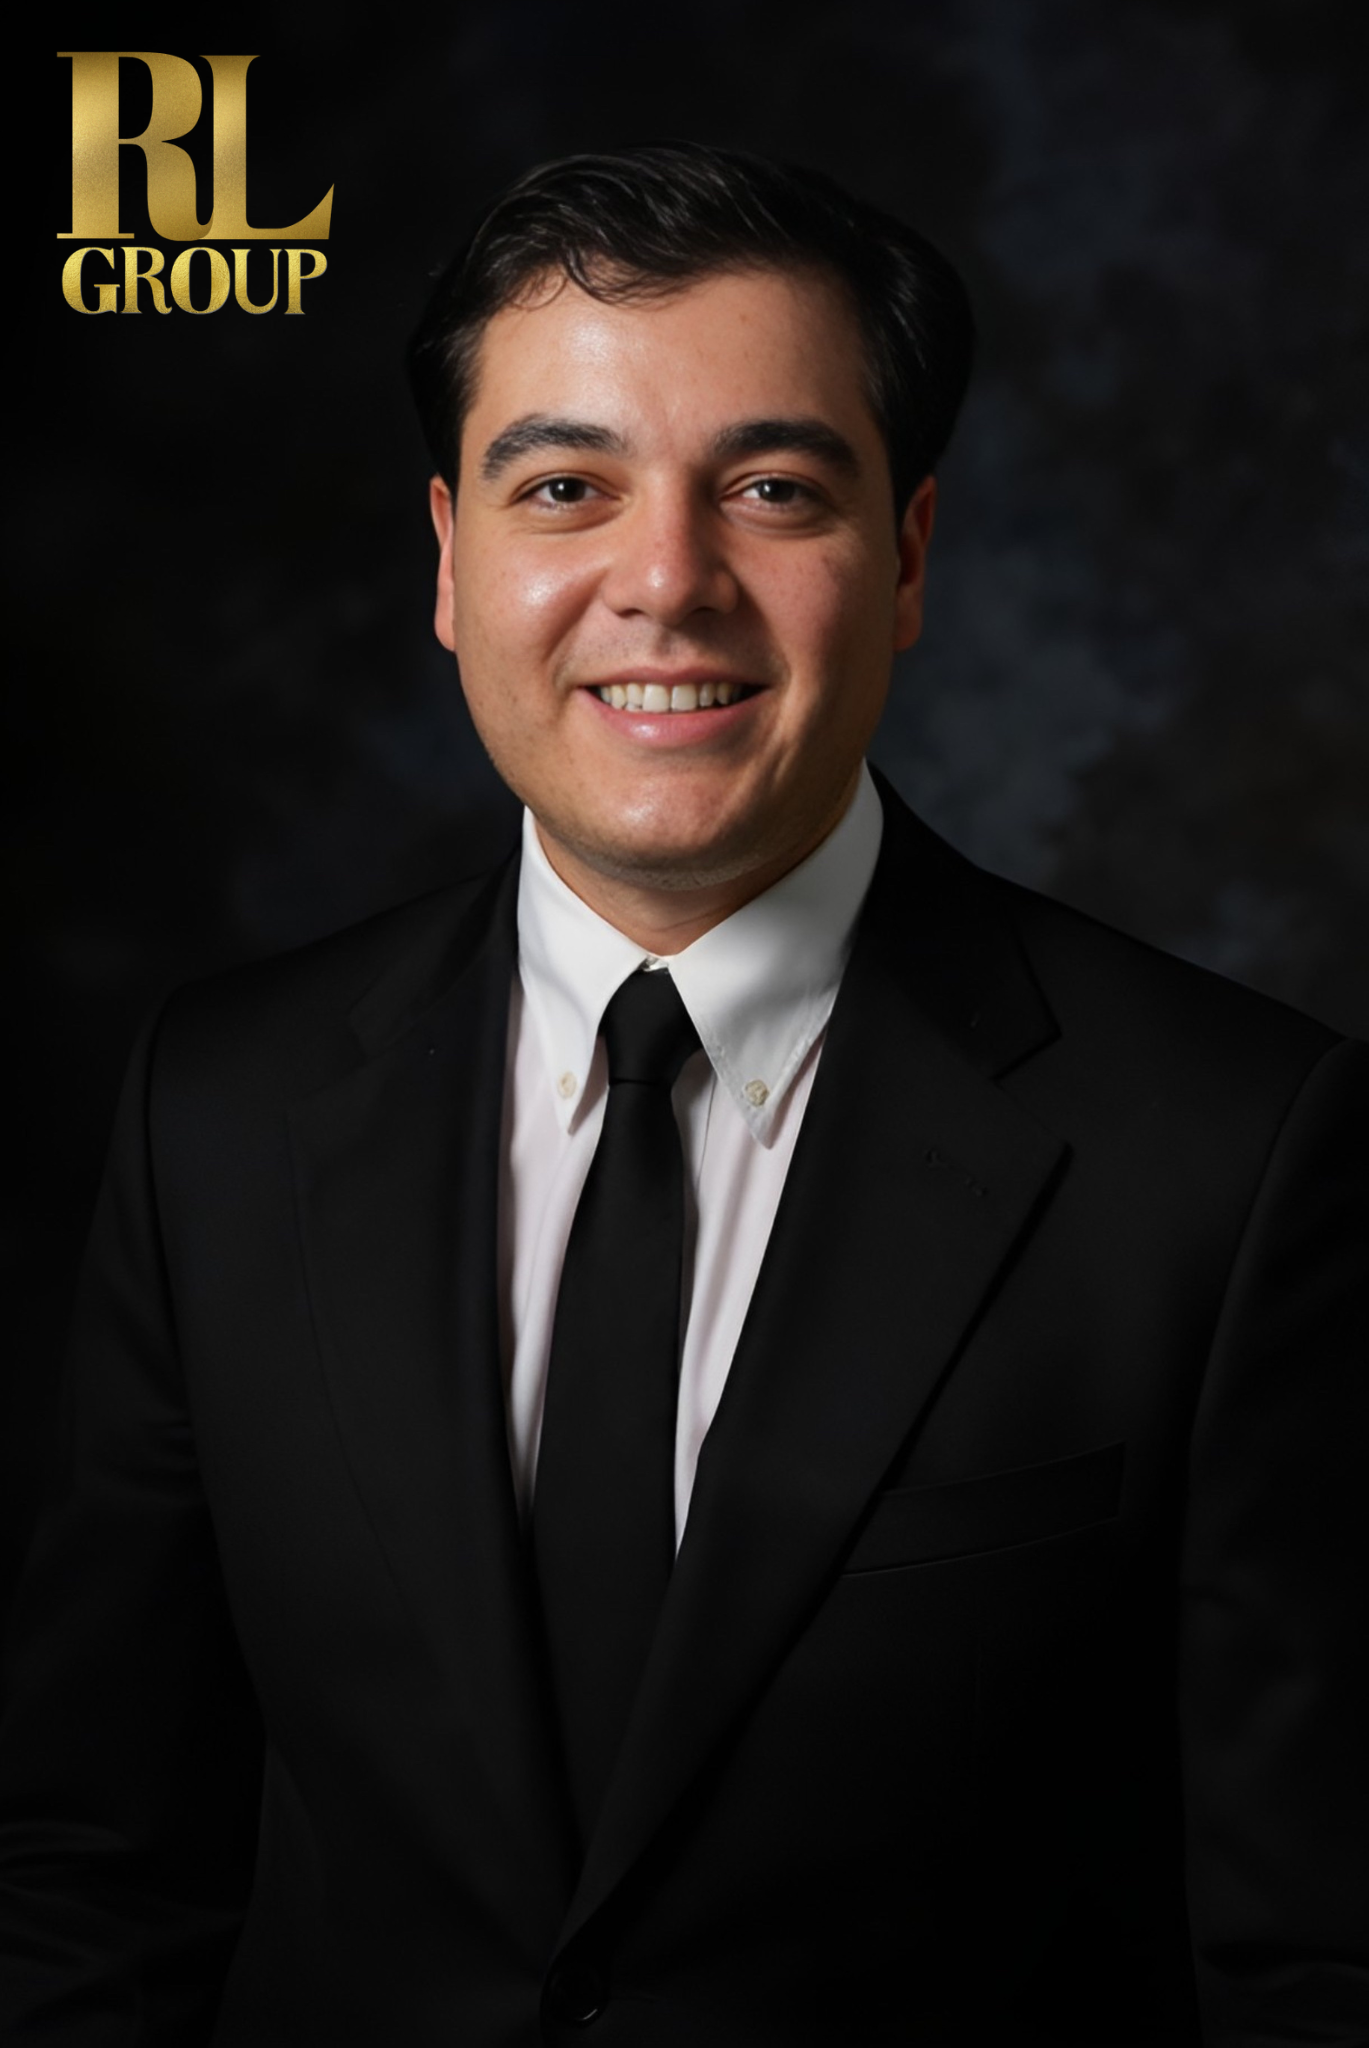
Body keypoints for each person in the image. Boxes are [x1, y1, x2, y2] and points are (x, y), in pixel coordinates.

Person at [1, 142, 1366, 2048]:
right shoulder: (213, 1114)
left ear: (901, 560)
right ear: (451, 562)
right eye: (567, 486)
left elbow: (1318, 1961)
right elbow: (97, 1873)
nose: (666, 581)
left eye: (774, 489)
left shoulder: (1234, 1150)